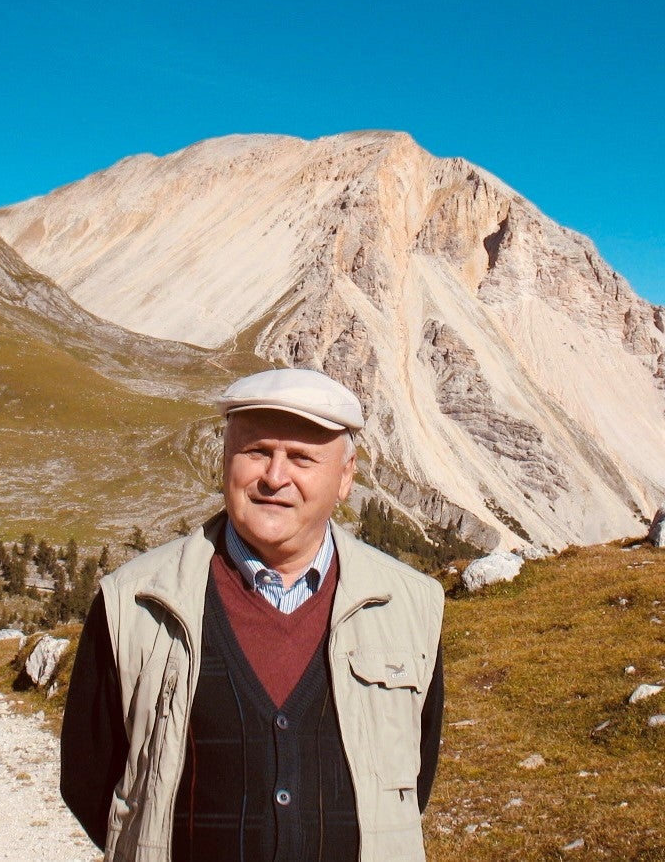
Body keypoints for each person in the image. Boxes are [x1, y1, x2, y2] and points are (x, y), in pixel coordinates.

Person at [61, 367, 445, 862]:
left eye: (302, 458)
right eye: (257, 451)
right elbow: (90, 779)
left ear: (345, 477)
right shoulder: (133, 603)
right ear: (225, 459)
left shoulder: (412, 605)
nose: (275, 477)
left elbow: (413, 782)